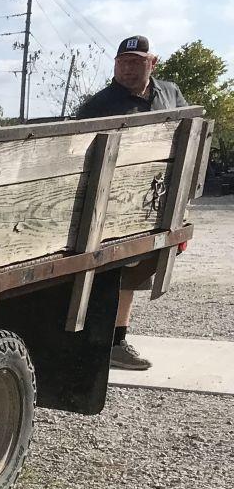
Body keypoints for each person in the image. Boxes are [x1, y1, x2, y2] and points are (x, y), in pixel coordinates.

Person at [72, 35, 188, 371]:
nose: (128, 68)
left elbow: (189, 131)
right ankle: (108, 342)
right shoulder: (99, 105)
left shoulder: (170, 93)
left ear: (153, 63)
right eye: (123, 62)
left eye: (136, 62)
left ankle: (116, 340)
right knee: (113, 268)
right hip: (113, 201)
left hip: (157, 198)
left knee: (138, 269)